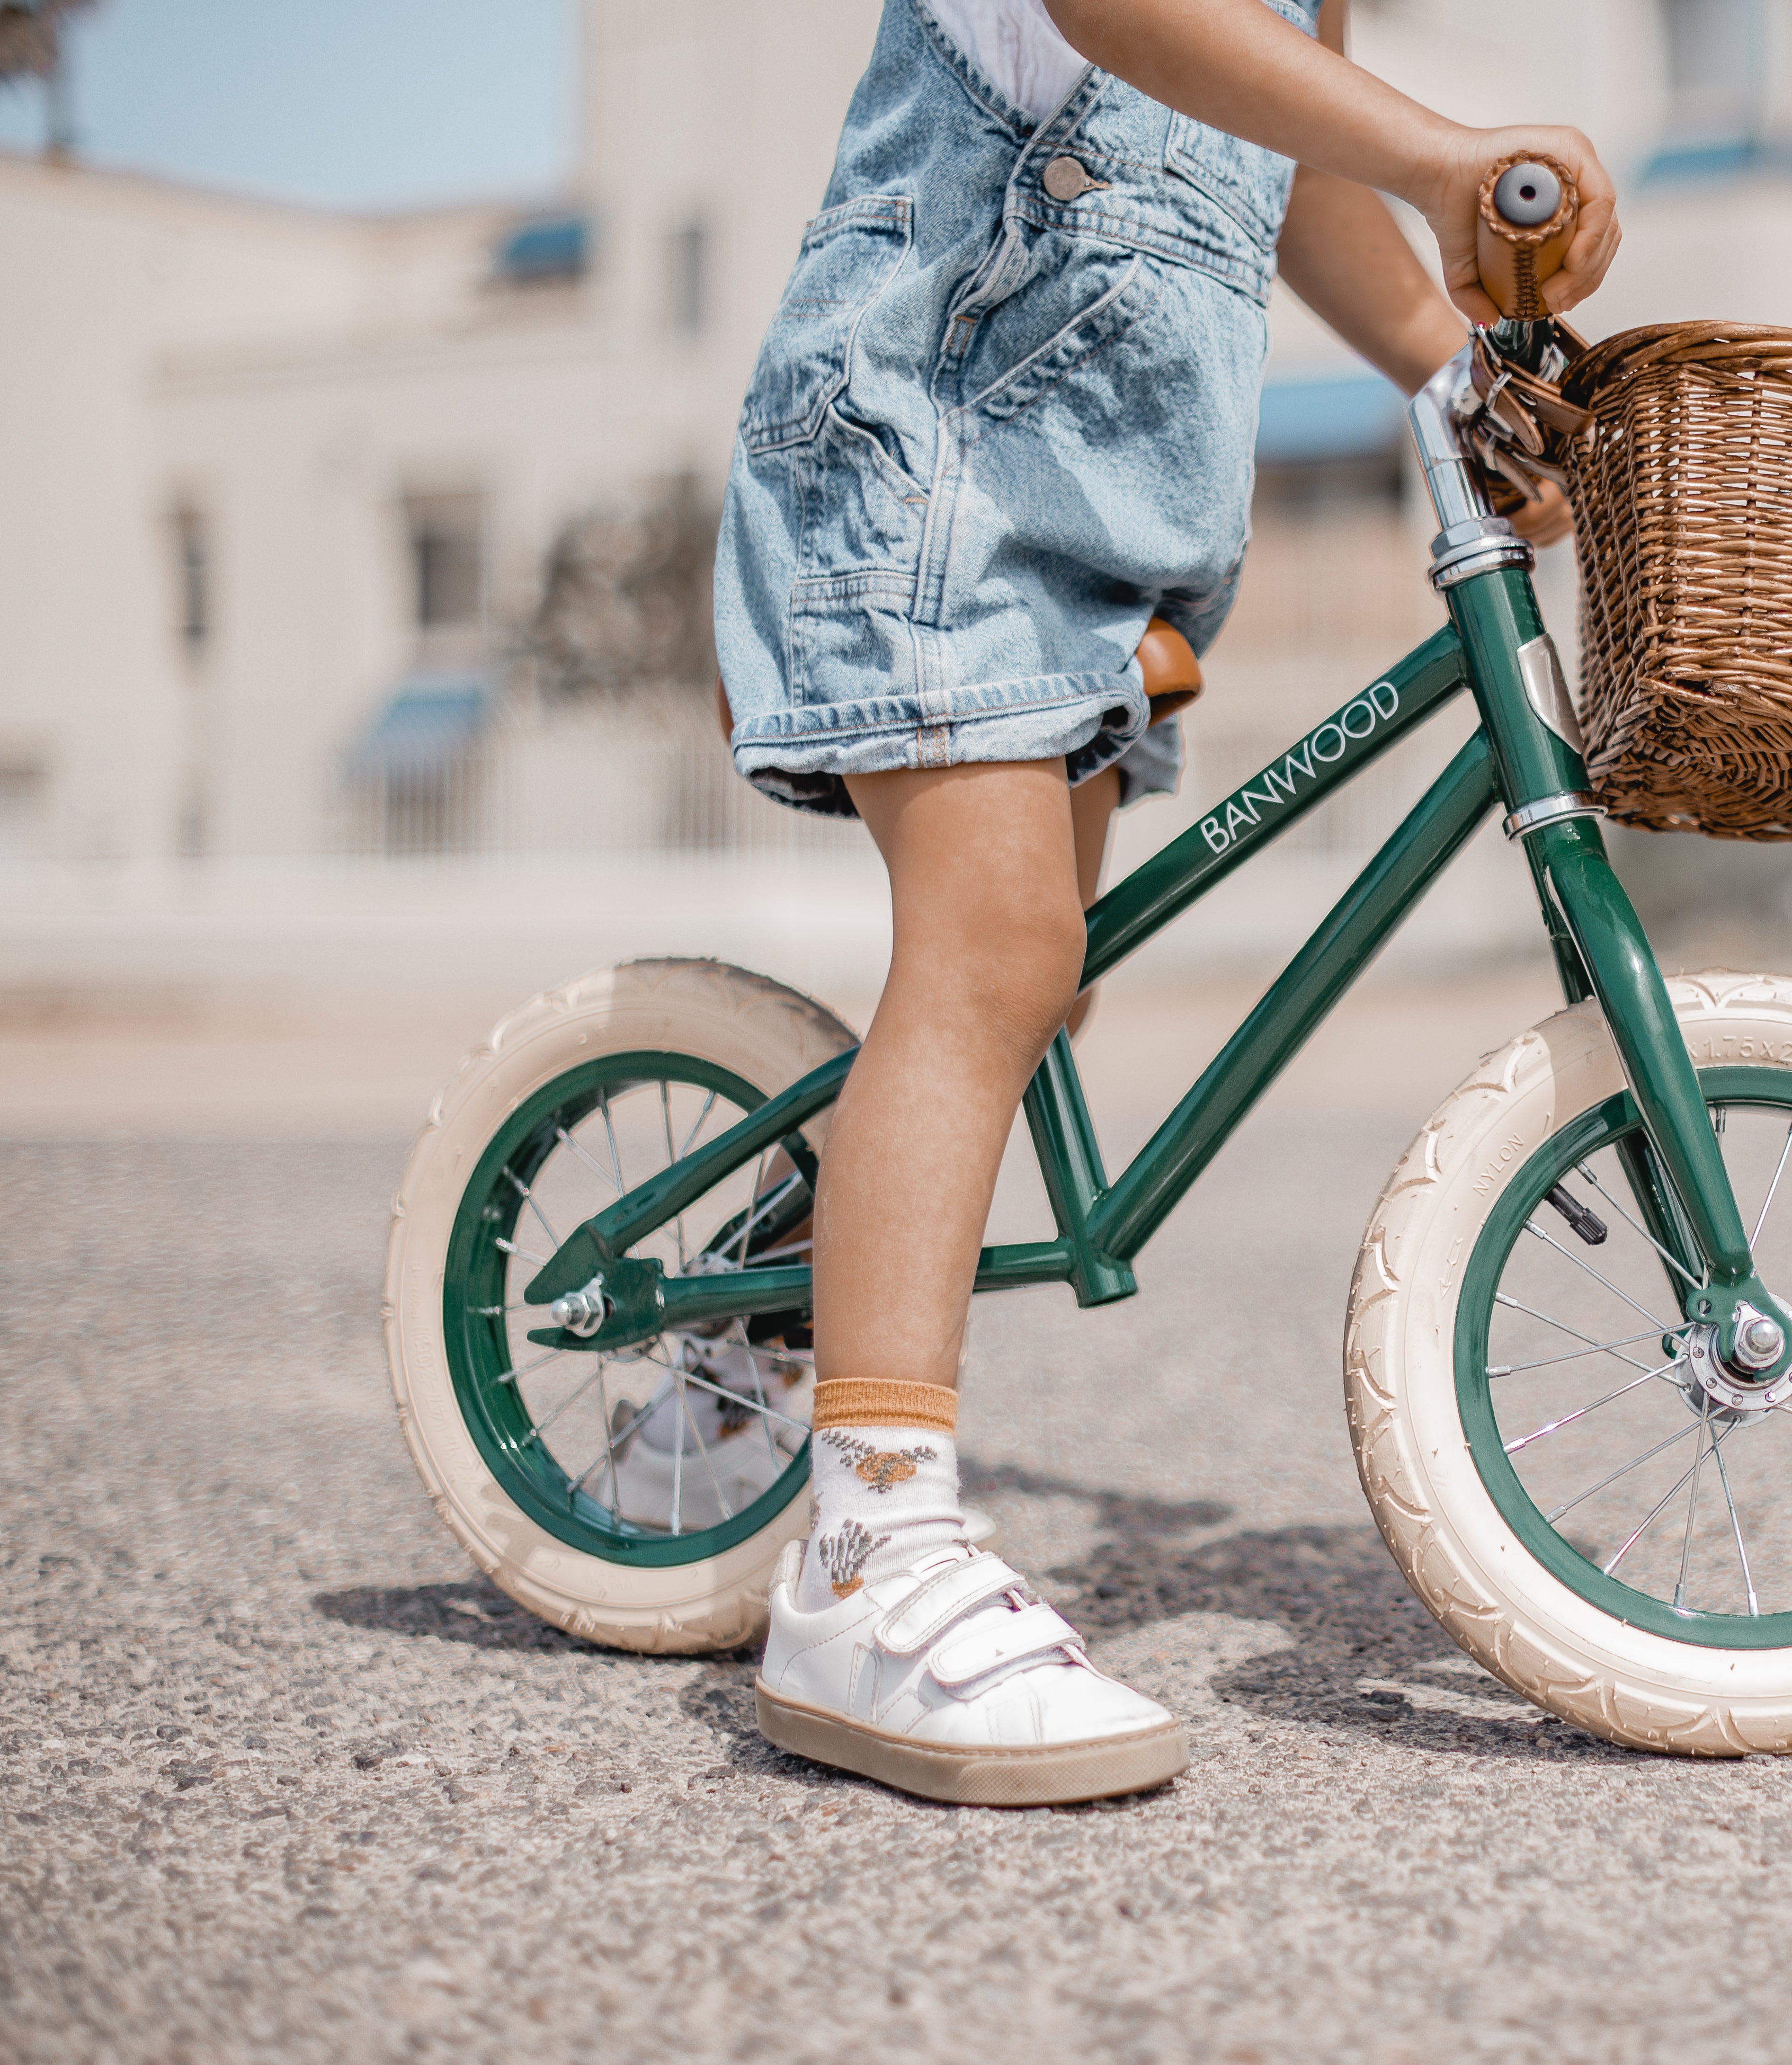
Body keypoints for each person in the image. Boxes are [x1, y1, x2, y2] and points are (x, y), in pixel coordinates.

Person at [713, 0, 1618, 1806]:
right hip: (932, 462)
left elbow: (1281, 168)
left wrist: (1450, 360)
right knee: (988, 969)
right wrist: (1439, 149)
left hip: (1102, 524)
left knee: (1044, 994)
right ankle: (865, 1561)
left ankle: (747, 1324)